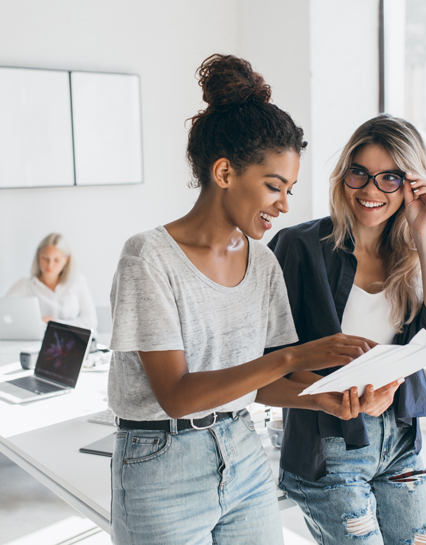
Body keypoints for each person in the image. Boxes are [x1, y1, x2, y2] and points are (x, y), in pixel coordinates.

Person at [107, 55, 399, 545]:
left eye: (290, 189)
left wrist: (331, 397)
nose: (284, 205)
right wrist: (298, 356)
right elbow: (177, 395)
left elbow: (262, 382)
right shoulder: (148, 258)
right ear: (224, 172)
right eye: (273, 186)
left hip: (242, 450)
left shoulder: (261, 262)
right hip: (161, 462)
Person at [269, 113, 426, 545]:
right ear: (344, 176)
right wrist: (332, 396)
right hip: (329, 445)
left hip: (398, 443)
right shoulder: (299, 246)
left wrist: (425, 233)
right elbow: (270, 358)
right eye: (360, 173)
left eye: (389, 178)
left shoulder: (411, 255)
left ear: (411, 186)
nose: (371, 190)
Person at [6, 232, 97, 331]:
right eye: (45, 258)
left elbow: (91, 321)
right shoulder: (25, 285)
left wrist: (56, 324)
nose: (50, 265)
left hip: (73, 342)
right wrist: (37, 323)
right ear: (38, 256)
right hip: (36, 344)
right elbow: (4, 315)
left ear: (66, 260)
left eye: (56, 260)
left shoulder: (77, 282)